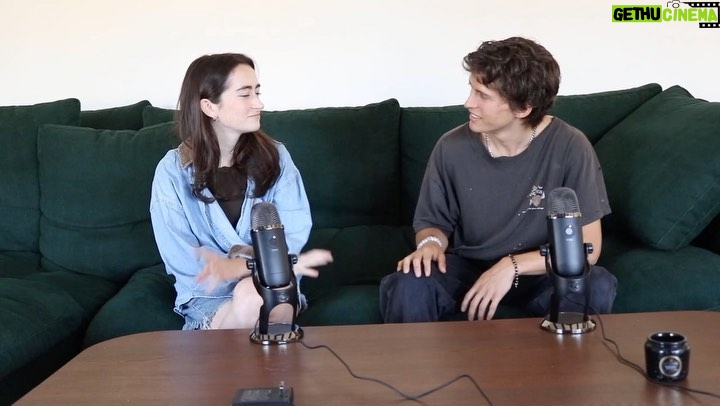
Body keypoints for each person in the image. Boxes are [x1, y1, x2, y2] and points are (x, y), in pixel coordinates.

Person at [379, 37, 617, 323]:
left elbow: (588, 248)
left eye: (482, 95)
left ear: (523, 108)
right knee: (409, 283)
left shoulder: (570, 146)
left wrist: (511, 266)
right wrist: (430, 244)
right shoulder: (451, 147)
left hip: (541, 270)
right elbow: (433, 224)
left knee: (596, 283)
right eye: (471, 89)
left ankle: (565, 354)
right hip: (468, 268)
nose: (468, 102)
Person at [150, 53, 332, 330]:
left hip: (273, 282)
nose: (259, 103)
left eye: (257, 92)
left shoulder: (277, 157)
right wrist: (247, 266)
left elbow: (293, 234)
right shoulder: (172, 171)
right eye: (245, 94)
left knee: (256, 294)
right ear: (209, 107)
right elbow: (184, 260)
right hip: (208, 295)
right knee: (250, 298)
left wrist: (244, 268)